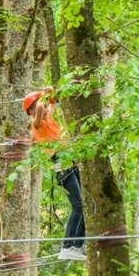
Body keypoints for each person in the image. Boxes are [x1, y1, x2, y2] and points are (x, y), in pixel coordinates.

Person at [24, 88, 85, 260]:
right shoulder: (36, 125)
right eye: (35, 108)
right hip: (60, 164)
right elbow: (42, 108)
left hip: (70, 161)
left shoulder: (48, 118)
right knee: (78, 205)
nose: (41, 110)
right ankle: (67, 247)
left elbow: (51, 103)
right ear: (31, 112)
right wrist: (43, 95)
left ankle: (77, 246)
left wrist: (50, 92)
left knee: (85, 204)